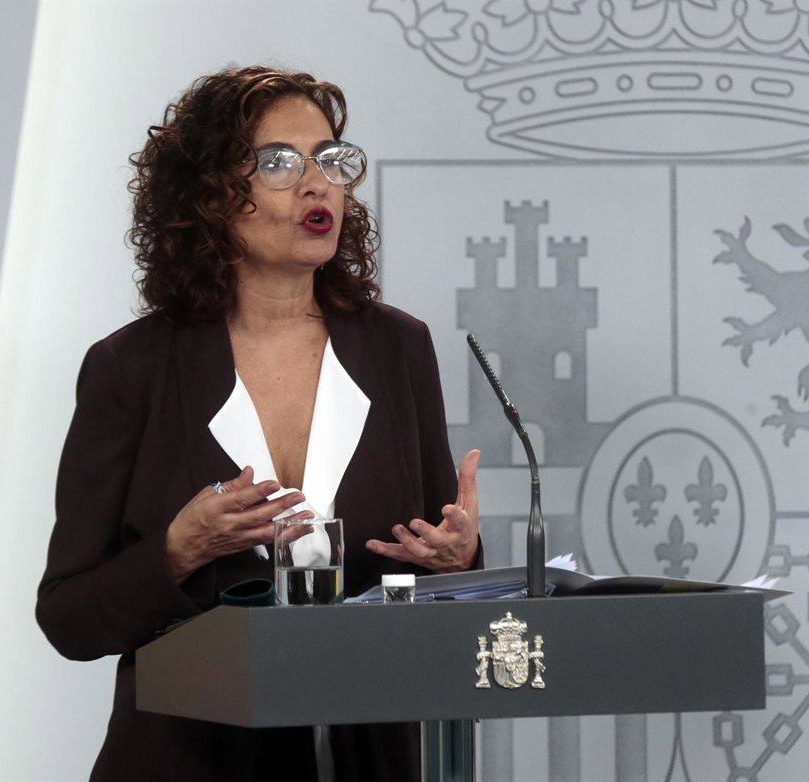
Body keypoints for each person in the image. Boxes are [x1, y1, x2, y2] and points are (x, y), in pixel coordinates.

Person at [36, 65, 482, 782]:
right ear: (210, 195)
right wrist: (177, 551)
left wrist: (459, 558)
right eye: (279, 162)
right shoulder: (132, 368)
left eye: (330, 160)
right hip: (189, 760)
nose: (317, 184)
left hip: (369, 753)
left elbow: (435, 571)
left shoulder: (397, 347)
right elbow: (68, 618)